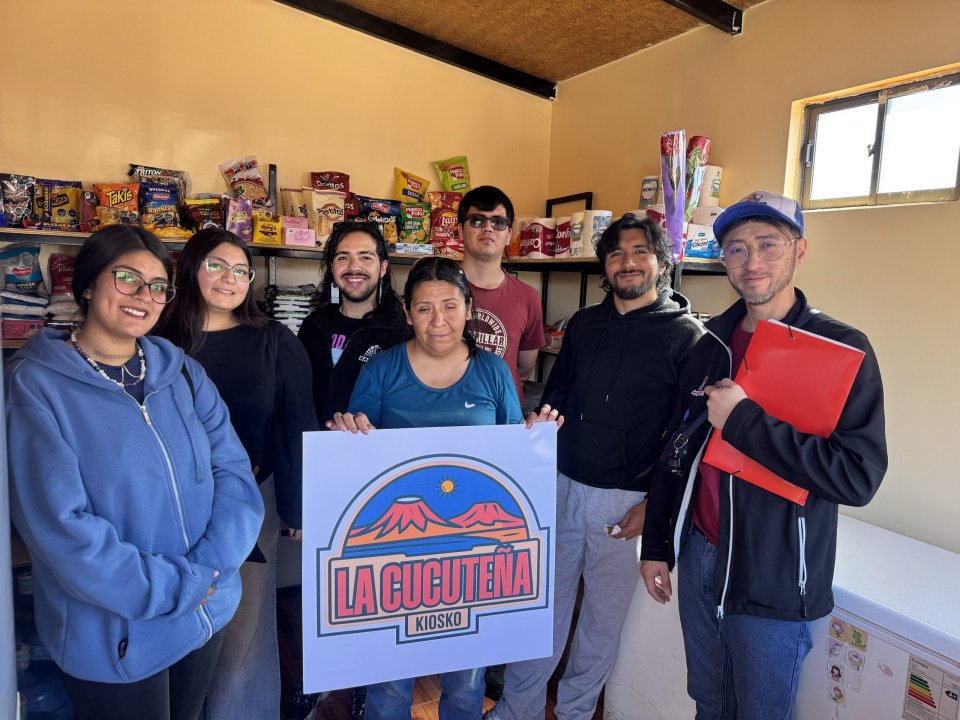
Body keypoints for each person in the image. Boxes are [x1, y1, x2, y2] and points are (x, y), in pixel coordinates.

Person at [639, 191, 887, 719]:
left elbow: (857, 477)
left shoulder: (842, 350)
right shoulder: (709, 343)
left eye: (768, 244)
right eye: (736, 248)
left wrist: (744, 422)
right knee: (709, 702)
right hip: (702, 554)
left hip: (775, 574)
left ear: (800, 251)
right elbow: (676, 449)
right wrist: (657, 543)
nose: (752, 261)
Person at [5, 224, 264, 720]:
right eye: (127, 278)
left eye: (158, 285)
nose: (144, 296)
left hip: (204, 609)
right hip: (112, 635)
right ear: (87, 284)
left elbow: (234, 474)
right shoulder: (36, 384)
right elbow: (61, 527)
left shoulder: (182, 372)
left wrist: (208, 570)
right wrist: (179, 587)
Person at [486, 214, 704, 720]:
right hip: (561, 486)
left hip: (625, 502)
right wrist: (540, 429)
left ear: (661, 261)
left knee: (600, 626)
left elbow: (684, 437)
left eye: (640, 251)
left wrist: (654, 505)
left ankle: (575, 713)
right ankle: (515, 711)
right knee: (540, 612)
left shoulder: (687, 337)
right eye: (616, 253)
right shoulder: (584, 324)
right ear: (604, 265)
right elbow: (558, 392)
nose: (628, 262)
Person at [327, 256, 562, 720]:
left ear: (469, 309)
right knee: (389, 686)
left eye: (450, 306)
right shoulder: (382, 369)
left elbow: (508, 465)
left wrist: (532, 438)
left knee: (467, 684)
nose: (438, 321)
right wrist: (346, 434)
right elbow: (358, 455)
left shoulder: (493, 371)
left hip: (470, 559)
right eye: (424, 308)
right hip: (394, 558)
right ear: (407, 313)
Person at [154, 228, 319, 720]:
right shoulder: (157, 339)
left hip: (249, 502)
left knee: (244, 628)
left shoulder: (274, 340)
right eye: (217, 266)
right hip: (168, 505)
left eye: (242, 270)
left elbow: (297, 424)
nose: (230, 278)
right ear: (190, 269)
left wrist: (298, 507)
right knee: (176, 618)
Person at [298, 221, 411, 424]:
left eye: (365, 257)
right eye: (343, 257)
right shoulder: (312, 326)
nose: (354, 267)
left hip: (370, 441)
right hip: (315, 441)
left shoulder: (401, 332)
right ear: (332, 268)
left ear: (382, 268)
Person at [458, 185, 544, 406]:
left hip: (504, 414)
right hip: (447, 412)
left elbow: (523, 368)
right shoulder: (435, 288)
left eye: (498, 222)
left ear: (509, 235)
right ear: (460, 231)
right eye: (477, 220)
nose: (488, 228)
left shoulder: (528, 297)